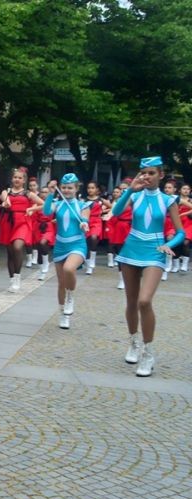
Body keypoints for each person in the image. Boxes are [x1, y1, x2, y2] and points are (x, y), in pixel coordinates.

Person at [112, 156, 185, 377]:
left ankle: (148, 352)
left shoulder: (168, 200)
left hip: (155, 251)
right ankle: (134, 342)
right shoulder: (135, 195)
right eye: (143, 173)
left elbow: (180, 232)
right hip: (131, 249)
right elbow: (116, 213)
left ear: (160, 175)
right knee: (131, 301)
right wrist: (130, 190)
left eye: (151, 173)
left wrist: (168, 245)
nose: (147, 177)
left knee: (144, 301)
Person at [42, 174, 89, 330]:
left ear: (76, 189)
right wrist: (50, 193)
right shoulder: (58, 204)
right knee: (61, 283)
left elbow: (85, 219)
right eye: (64, 187)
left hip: (77, 244)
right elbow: (46, 212)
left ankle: (70, 296)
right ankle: (63, 315)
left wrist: (84, 224)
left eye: (70, 188)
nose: (67, 190)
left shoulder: (83, 205)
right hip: (60, 245)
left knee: (69, 269)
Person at [0, 168, 43, 292]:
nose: (17, 179)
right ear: (12, 179)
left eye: (20, 178)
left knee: (18, 247)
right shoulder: (6, 192)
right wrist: (5, 202)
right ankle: (12, 280)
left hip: (22, 222)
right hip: (8, 222)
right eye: (15, 177)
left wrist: (32, 209)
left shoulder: (28, 193)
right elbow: (4, 198)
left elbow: (43, 204)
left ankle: (17, 278)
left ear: (24, 180)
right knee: (10, 253)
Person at [82, 181, 110, 276]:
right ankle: (88, 262)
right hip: (86, 221)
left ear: (97, 189)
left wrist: (104, 212)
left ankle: (92, 260)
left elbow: (113, 207)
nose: (90, 190)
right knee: (86, 242)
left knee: (93, 238)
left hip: (96, 222)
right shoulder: (83, 200)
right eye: (88, 188)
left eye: (92, 188)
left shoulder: (101, 200)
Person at [32, 186, 56, 281]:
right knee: (39, 251)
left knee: (43, 243)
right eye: (42, 192)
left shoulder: (53, 203)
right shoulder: (36, 204)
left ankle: (46, 262)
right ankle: (42, 271)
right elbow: (32, 214)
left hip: (48, 226)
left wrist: (56, 219)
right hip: (38, 227)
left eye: (46, 192)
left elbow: (58, 213)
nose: (44, 194)